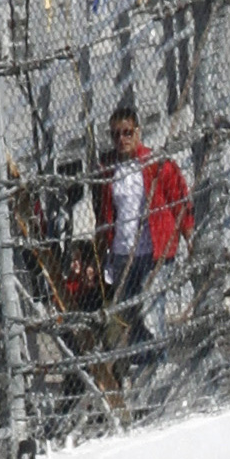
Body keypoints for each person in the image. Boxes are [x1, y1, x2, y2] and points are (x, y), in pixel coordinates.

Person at [92, 104, 191, 370]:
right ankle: (142, 367)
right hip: (123, 253)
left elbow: (179, 199)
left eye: (127, 132)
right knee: (130, 315)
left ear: (138, 132)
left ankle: (159, 365)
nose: (121, 139)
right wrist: (102, 245)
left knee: (150, 312)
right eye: (115, 134)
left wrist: (188, 235)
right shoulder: (108, 169)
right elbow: (104, 212)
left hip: (154, 251)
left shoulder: (156, 163)